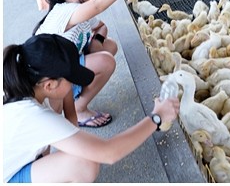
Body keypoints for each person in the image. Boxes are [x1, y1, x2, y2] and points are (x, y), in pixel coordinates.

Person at [3, 34, 179, 183]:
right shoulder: (35, 117)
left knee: (79, 152)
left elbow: (70, 121)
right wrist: (156, 118)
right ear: (49, 85)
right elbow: (109, 153)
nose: (74, 83)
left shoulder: (27, 86)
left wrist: (66, 91)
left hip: (14, 163)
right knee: (85, 162)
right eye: (70, 79)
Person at [34, 0, 160, 128]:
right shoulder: (65, 11)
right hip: (52, 78)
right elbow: (97, 5)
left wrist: (97, 43)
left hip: (66, 65)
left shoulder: (78, 8)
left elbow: (101, 26)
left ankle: (72, 107)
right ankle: (77, 110)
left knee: (109, 47)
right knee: (105, 61)